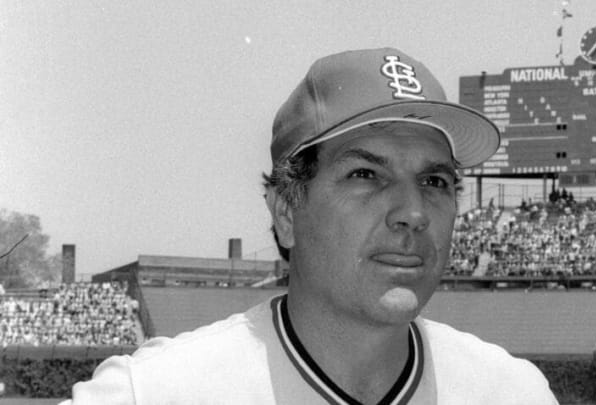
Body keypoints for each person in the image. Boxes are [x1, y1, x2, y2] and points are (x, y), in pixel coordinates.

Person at [61, 47, 557, 404]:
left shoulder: (512, 392)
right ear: (286, 212)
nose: (414, 211)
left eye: (435, 180)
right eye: (366, 174)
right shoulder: (151, 393)